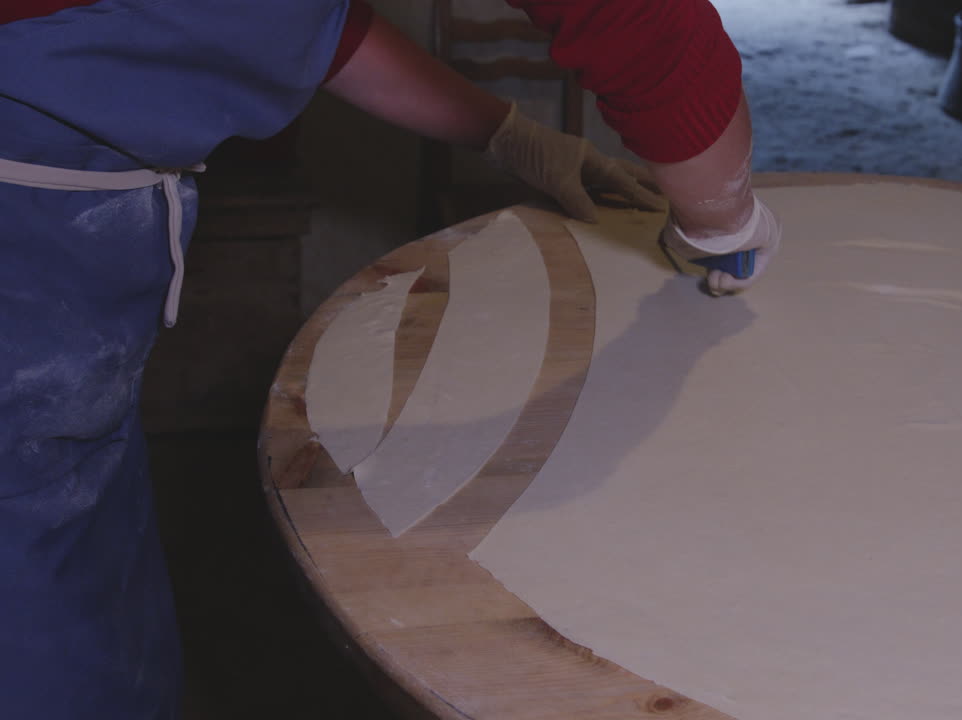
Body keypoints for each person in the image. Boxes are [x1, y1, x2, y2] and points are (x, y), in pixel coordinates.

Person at [0, 1, 781, 717]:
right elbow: (646, 25)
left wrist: (509, 133)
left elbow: (293, 19)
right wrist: (723, 214)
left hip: (62, 256)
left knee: (91, 559)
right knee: (38, 625)